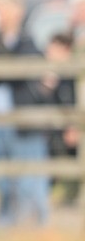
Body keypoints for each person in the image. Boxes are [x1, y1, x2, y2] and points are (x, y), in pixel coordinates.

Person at [0, 0, 50, 227]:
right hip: (0, 116)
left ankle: (35, 224)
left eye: (2, 8)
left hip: (25, 116)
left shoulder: (30, 38)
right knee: (3, 175)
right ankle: (7, 222)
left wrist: (0, 68)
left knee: (30, 175)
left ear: (17, 9)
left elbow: (26, 72)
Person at [40, 32, 79, 207]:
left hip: (66, 123)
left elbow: (72, 100)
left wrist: (73, 126)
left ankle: (69, 198)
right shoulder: (51, 71)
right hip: (53, 124)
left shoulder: (71, 73)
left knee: (68, 158)